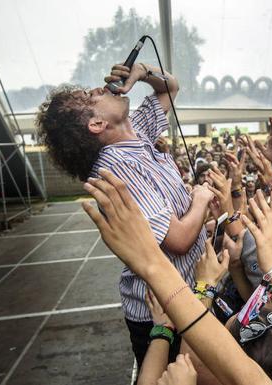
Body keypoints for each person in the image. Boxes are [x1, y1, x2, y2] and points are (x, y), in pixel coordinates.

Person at [36, 63, 213, 366]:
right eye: (90, 97)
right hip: (163, 312)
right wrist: (201, 199)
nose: (100, 88)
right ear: (96, 125)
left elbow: (169, 87)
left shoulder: (135, 132)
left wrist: (142, 72)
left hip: (185, 294)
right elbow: (180, 240)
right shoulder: (116, 169)